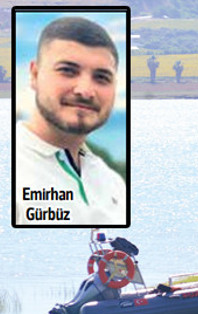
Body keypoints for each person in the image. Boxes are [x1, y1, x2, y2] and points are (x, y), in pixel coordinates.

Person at [15, 15, 126, 226]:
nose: (85, 91)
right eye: (67, 71)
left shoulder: (113, 183)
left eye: (101, 77)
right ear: (34, 75)